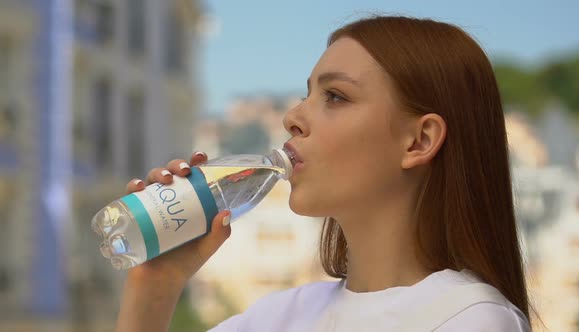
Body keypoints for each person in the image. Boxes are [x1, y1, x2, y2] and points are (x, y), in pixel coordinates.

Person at [115, 15, 533, 331]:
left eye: (335, 96)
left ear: (419, 141)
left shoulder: (467, 319)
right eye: (306, 94)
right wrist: (157, 285)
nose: (293, 117)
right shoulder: (276, 317)